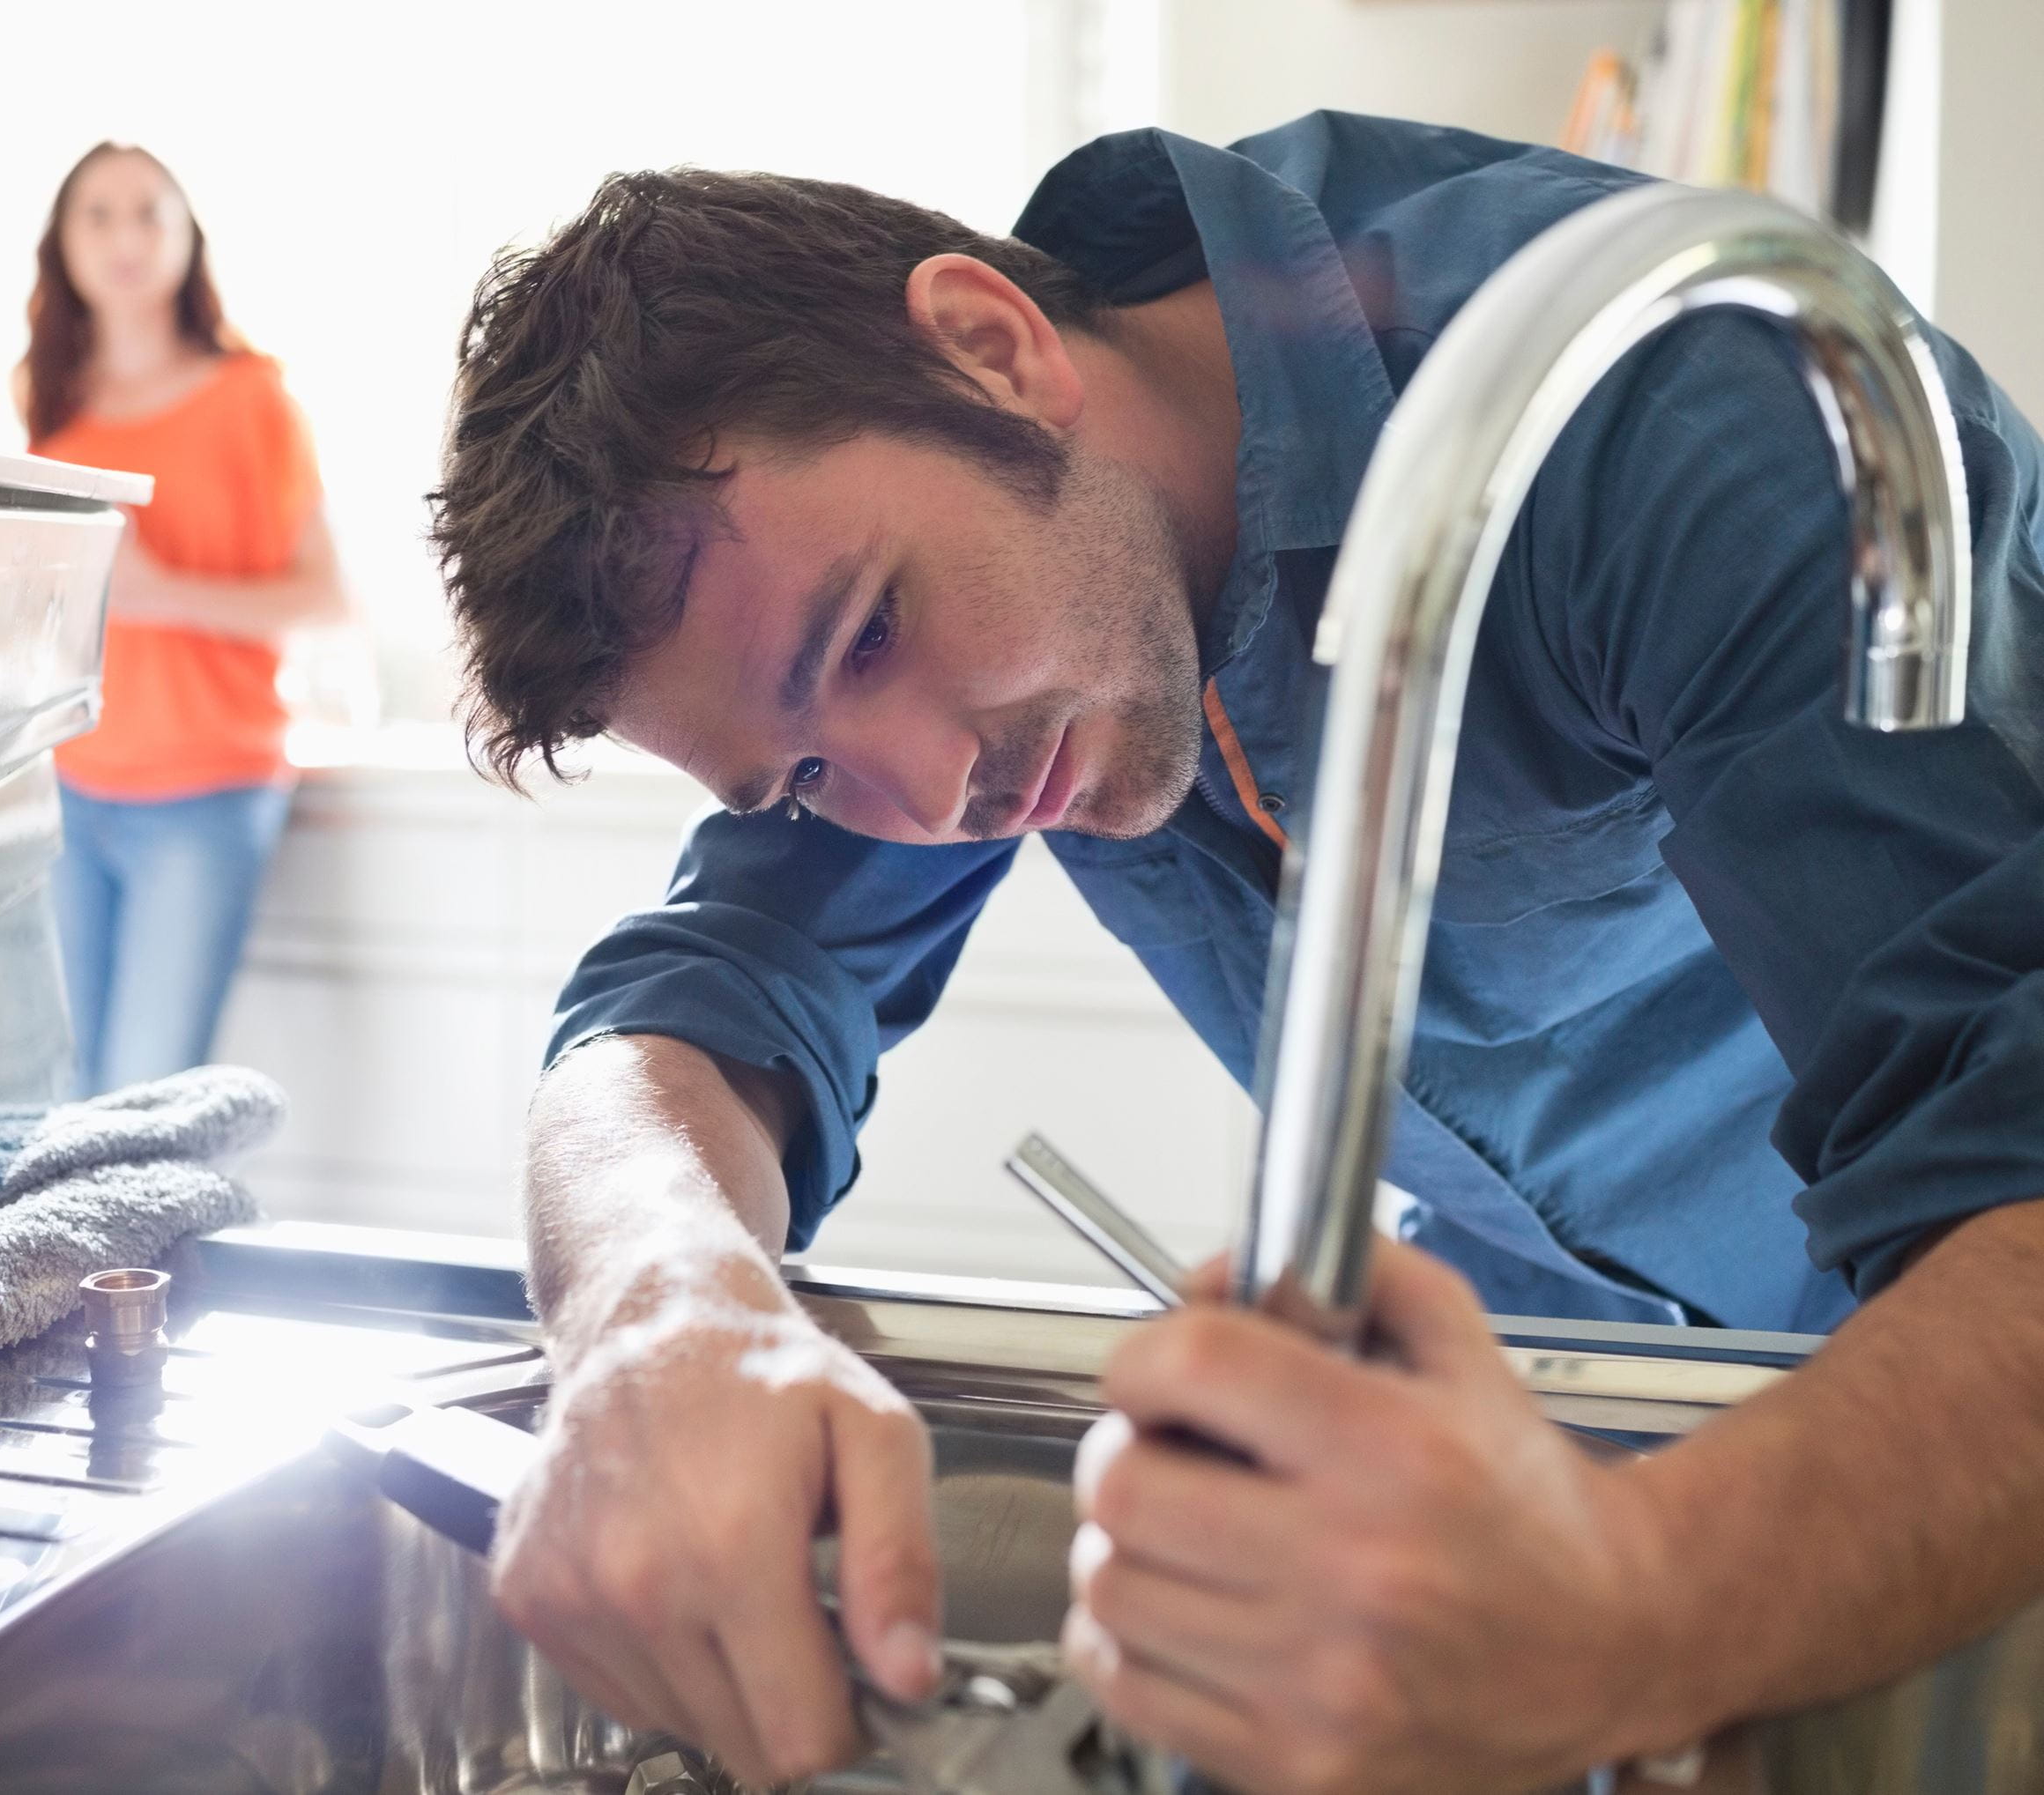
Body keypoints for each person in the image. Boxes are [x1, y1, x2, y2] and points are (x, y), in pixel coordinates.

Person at [426, 115, 2044, 1791]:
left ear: (993, 347)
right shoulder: (966, 600)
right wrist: (650, 1302)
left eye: (876, 631)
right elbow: (699, 998)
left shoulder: (1667, 414)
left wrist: (1634, 1604)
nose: (928, 796)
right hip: (1563, 1341)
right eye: (805, 778)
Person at [19, 142, 355, 1097]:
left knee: (141, 1100)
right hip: (70, 786)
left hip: (206, 792)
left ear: (187, 238)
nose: (124, 237)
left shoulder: (253, 398)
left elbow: (326, 600)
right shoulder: (50, 405)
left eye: (148, 212)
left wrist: (158, 590)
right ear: (63, 242)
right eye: (98, 214)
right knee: (66, 1100)